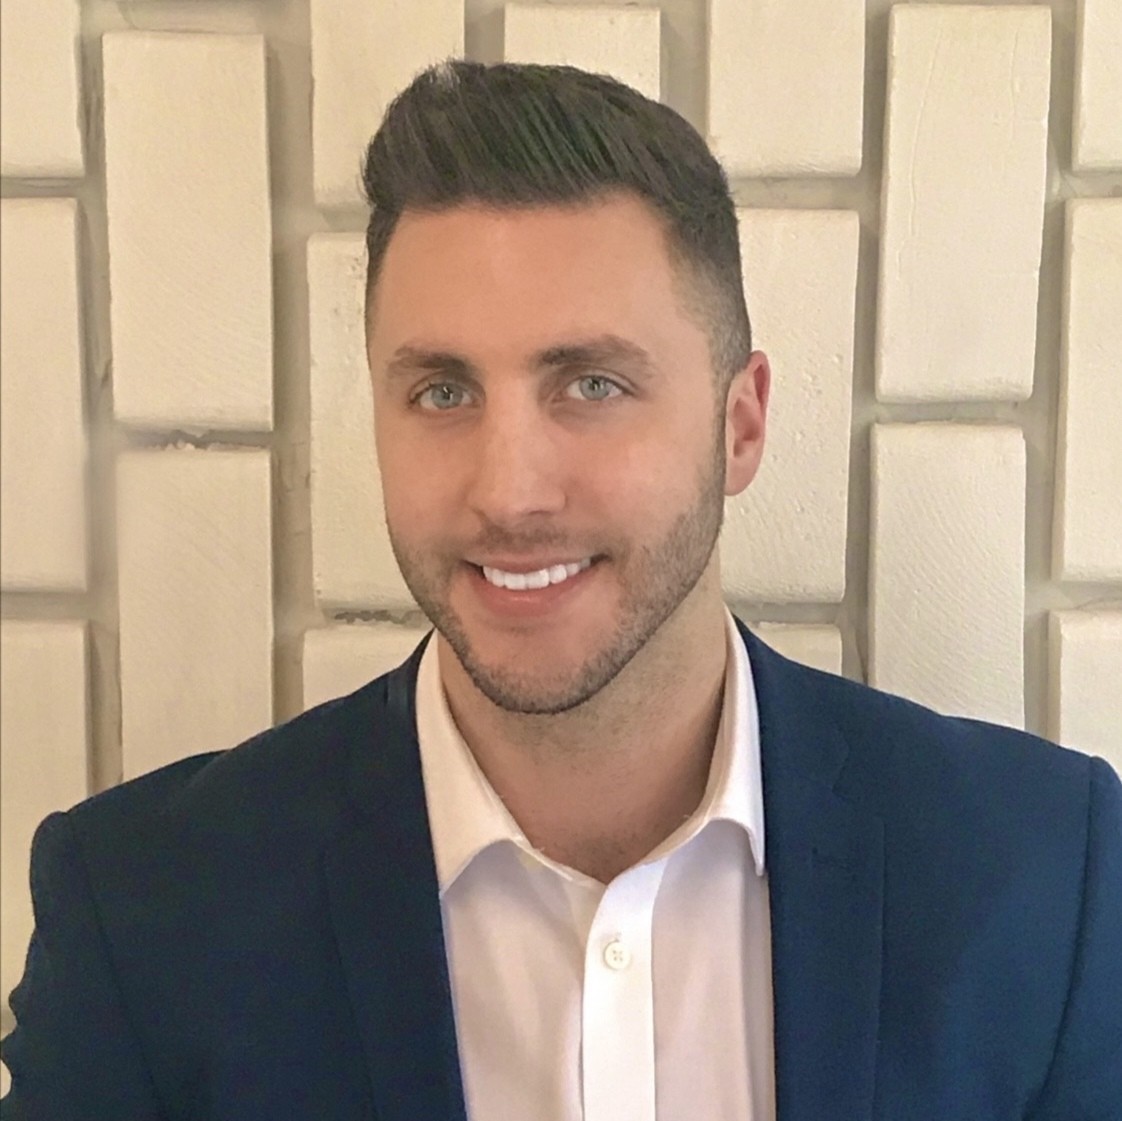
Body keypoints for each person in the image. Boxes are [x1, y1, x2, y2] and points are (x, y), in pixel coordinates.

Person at [1, 59, 1119, 1121]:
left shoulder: (1041, 873)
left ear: (739, 424)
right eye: (442, 391)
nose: (509, 489)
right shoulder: (145, 912)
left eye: (590, 382)